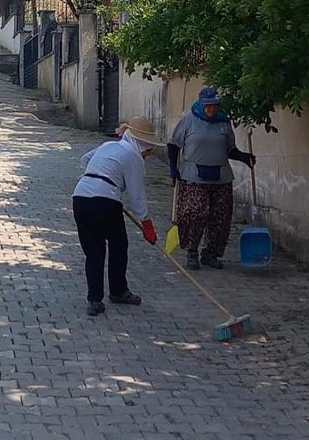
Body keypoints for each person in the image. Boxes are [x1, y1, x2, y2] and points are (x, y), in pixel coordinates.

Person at [72, 117, 161, 316]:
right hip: (106, 202)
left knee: (94, 252)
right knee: (119, 245)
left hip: (80, 197)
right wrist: (147, 224)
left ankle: (94, 300)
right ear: (142, 144)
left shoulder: (108, 146)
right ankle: (119, 291)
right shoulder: (133, 157)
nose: (148, 154)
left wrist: (102, 180)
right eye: (149, 150)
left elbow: (85, 159)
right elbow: (137, 195)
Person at [168, 87, 255, 270]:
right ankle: (192, 251)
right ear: (201, 104)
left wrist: (244, 157)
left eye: (215, 106)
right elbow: (173, 145)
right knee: (195, 212)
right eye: (208, 106)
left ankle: (210, 253)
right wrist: (173, 168)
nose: (212, 109)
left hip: (221, 177)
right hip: (193, 177)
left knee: (220, 216)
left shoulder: (224, 123)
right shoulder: (189, 121)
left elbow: (230, 150)